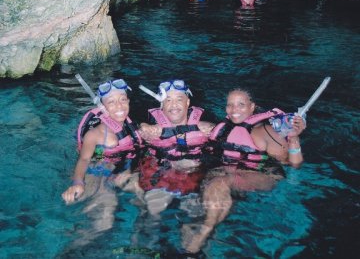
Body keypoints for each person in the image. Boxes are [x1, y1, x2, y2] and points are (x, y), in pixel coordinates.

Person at [182, 88, 306, 254]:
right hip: (230, 173)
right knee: (199, 195)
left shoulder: (264, 132)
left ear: (252, 107)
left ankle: (205, 231)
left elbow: (293, 164)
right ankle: (209, 234)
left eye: (241, 105)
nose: (234, 110)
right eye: (230, 105)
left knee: (220, 182)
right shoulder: (223, 128)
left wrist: (294, 138)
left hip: (264, 175)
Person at [61, 78, 143, 245]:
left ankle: (138, 242)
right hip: (96, 169)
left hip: (121, 167)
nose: (119, 106)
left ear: (128, 101)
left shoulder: (132, 126)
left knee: (143, 198)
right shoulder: (95, 134)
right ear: (103, 107)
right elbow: (84, 159)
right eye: (111, 102)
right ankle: (71, 246)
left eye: (122, 100)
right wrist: (77, 182)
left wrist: (130, 171)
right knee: (104, 217)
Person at [138, 79, 215, 215]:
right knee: (151, 212)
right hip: (160, 174)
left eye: (179, 99)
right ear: (161, 105)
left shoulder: (206, 129)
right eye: (168, 100)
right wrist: (142, 129)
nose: (174, 104)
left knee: (196, 215)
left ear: (187, 102)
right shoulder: (151, 132)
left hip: (193, 177)